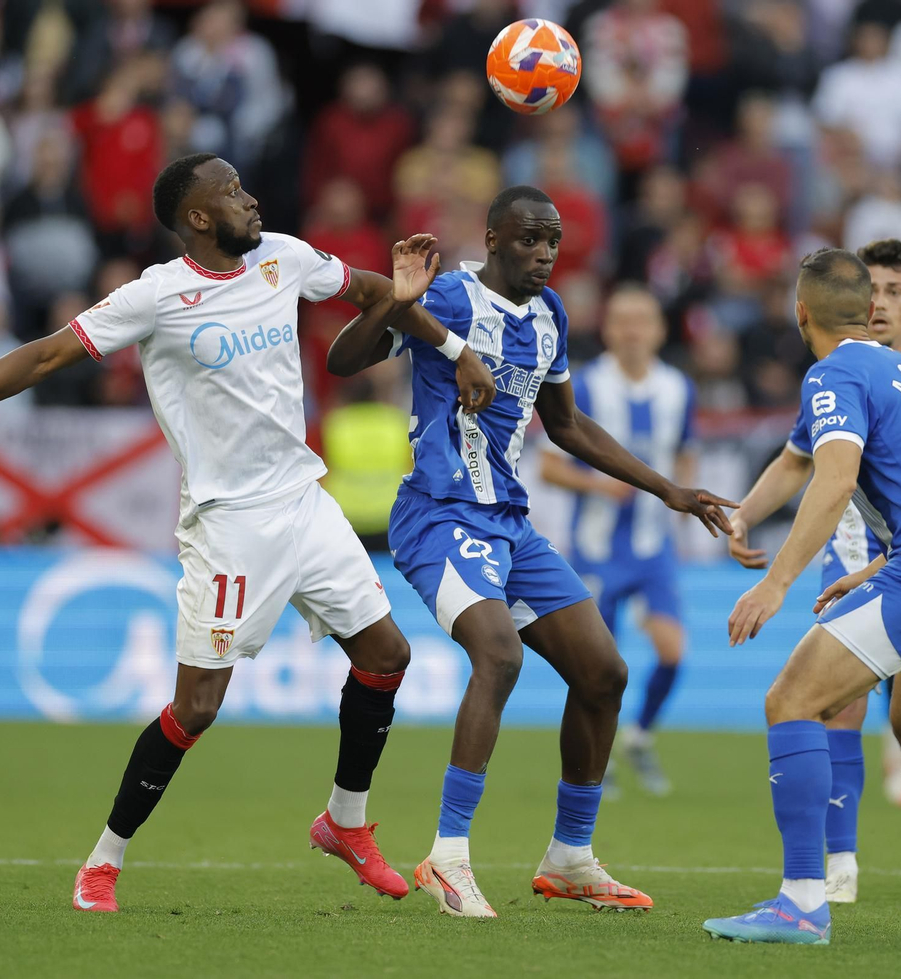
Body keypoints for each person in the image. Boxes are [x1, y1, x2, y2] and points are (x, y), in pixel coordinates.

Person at [0, 152, 499, 915]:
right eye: (231, 191)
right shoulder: (156, 296)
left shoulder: (285, 258)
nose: (250, 197)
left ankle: (346, 822)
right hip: (227, 524)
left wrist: (448, 342)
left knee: (387, 655)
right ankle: (103, 860)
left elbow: (373, 293)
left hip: (303, 500)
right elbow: (45, 355)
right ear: (198, 217)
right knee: (197, 705)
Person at [326, 185, 736, 919]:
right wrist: (393, 298)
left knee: (604, 671)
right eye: (528, 239)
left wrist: (667, 488)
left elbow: (568, 425)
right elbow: (341, 359)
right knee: (500, 654)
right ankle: (448, 857)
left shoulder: (549, 316)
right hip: (438, 515)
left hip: (511, 526)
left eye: (552, 241)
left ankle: (571, 857)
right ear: (491, 238)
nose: (544, 253)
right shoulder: (446, 299)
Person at [703, 248, 901, 946]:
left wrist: (778, 580)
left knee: (792, 700)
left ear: (800, 311)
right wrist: (880, 561)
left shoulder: (834, 371)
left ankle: (801, 901)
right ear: (869, 310)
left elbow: (834, 477)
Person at [538, 284, 697, 796]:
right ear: (607, 329)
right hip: (597, 549)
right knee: (597, 665)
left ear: (658, 330)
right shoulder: (584, 385)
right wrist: (597, 483)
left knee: (672, 651)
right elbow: (547, 466)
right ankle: (593, 760)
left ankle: (640, 737)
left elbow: (686, 452)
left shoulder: (678, 389)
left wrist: (689, 507)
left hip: (653, 551)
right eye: (622, 320)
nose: (632, 330)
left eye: (641, 320)